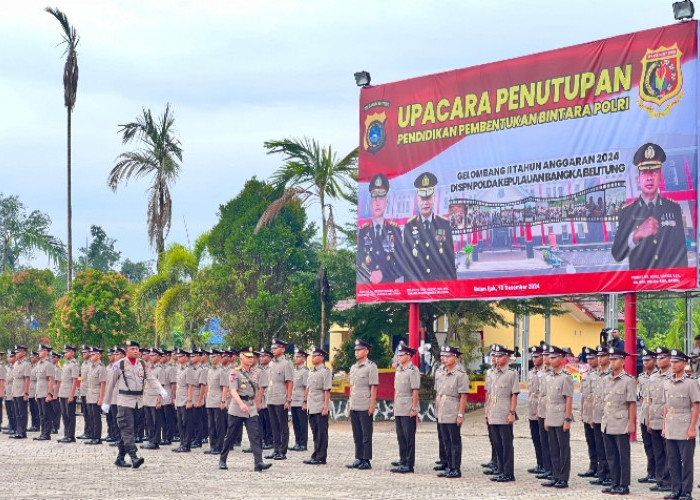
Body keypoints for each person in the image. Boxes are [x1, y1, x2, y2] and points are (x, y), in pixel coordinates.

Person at [611, 142, 688, 270]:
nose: (649, 178)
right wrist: (636, 234)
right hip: (640, 284)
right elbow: (617, 254)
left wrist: (683, 282)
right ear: (638, 180)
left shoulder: (673, 209)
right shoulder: (627, 212)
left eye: (654, 172)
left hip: (668, 282)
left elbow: (681, 252)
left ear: (661, 178)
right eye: (645, 173)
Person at [102, 339, 167, 469]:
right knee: (127, 430)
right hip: (124, 401)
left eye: (137, 349)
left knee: (127, 432)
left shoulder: (142, 364)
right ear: (126, 351)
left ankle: (120, 458)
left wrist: (160, 389)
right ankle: (134, 457)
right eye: (132, 349)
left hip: (138, 402)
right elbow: (110, 384)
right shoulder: (118, 365)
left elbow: (151, 379)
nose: (136, 351)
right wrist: (106, 402)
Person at [218, 346, 271, 472]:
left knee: (255, 435)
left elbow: (258, 390)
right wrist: (241, 404)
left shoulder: (255, 374)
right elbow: (233, 391)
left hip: (251, 408)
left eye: (252, 357)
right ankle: (222, 459)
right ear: (242, 357)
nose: (251, 359)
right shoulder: (234, 372)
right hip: (237, 408)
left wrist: (257, 403)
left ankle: (258, 462)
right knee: (231, 435)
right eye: (248, 357)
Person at [402, 172, 457, 281]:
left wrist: (453, 287)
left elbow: (450, 260)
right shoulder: (409, 226)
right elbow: (407, 262)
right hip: (418, 286)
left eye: (428, 198)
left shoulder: (445, 225)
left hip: (440, 286)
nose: (426, 202)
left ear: (434, 198)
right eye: (422, 199)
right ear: (417, 200)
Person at [662, 349, 700, 500]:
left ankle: (686, 491)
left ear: (684, 363)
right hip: (671, 425)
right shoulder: (667, 382)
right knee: (672, 461)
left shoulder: (690, 383)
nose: (673, 364)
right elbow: (666, 406)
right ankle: (675, 489)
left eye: (676, 362)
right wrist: (664, 427)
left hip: (685, 426)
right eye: (672, 361)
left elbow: (696, 406)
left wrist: (692, 428)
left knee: (686, 462)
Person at [600, 347, 637, 495]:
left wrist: (631, 423)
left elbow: (632, 403)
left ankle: (624, 484)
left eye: (615, 359)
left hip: (621, 423)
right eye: (611, 359)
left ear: (622, 361)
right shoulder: (606, 379)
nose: (612, 362)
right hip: (608, 422)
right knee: (611, 455)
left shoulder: (628, 380)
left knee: (623, 456)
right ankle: (614, 482)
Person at [357, 173, 403, 284]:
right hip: (368, 289)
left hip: (390, 290)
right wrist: (370, 273)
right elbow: (359, 261)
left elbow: (401, 264)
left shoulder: (395, 231)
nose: (378, 203)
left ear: (386, 203)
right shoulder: (363, 232)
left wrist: (383, 273)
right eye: (375, 199)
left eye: (381, 199)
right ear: (370, 204)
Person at [541, 346, 574, 489]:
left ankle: (563, 478)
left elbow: (568, 399)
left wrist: (567, 419)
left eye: (554, 357)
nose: (550, 359)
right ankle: (555, 475)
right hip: (551, 415)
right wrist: (547, 418)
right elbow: (548, 399)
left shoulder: (565, 377)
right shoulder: (549, 377)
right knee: (553, 448)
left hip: (561, 416)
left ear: (561, 359)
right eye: (550, 357)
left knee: (563, 449)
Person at [487, 344, 520, 483]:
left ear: (507, 357)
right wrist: (488, 411)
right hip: (493, 411)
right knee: (497, 444)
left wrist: (512, 412)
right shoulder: (492, 373)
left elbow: (514, 395)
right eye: (496, 356)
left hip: (505, 411)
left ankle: (508, 473)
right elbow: (489, 394)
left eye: (500, 356)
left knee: (506, 444)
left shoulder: (512, 374)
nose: (497, 359)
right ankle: (500, 470)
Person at [435, 344, 469, 478]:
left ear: (456, 358)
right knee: (445, 440)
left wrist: (460, 414)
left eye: (449, 356)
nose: (445, 359)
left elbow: (463, 396)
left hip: (453, 409)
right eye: (444, 356)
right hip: (442, 409)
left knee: (454, 440)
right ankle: (448, 465)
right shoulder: (441, 372)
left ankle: (456, 468)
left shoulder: (460, 375)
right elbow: (438, 392)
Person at [346, 339, 379, 470]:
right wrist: (349, 403)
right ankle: (359, 457)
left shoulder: (371, 367)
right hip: (355, 403)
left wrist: (372, 404)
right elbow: (351, 387)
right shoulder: (353, 367)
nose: (356, 352)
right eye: (355, 350)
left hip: (365, 403)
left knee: (366, 433)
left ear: (366, 351)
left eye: (359, 350)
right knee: (357, 433)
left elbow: (373, 387)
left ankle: (366, 459)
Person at [390, 341, 420, 474]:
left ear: (408, 356)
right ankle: (402, 459)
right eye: (398, 355)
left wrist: (414, 407)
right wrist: (394, 404)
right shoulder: (399, 370)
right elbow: (396, 390)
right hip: (399, 406)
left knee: (409, 437)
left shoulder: (413, 370)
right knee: (400, 435)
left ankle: (409, 463)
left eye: (401, 355)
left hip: (408, 406)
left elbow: (415, 390)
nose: (398, 357)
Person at [647, 346, 673, 493]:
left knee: (668, 452)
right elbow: (650, 400)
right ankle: (660, 480)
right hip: (655, 419)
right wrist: (649, 420)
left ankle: (668, 481)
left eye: (662, 357)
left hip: (667, 421)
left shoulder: (671, 376)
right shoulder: (653, 378)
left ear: (669, 359)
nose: (659, 360)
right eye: (657, 358)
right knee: (658, 453)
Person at [302, 345, 332, 465]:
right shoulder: (311, 371)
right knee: (315, 432)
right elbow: (308, 388)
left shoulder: (325, 372)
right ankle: (316, 453)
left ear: (321, 357)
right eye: (312, 356)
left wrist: (325, 407)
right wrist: (305, 402)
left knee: (322, 432)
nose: (312, 358)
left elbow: (327, 390)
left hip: (320, 406)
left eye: (315, 356)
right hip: (312, 406)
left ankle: (321, 456)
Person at [265, 339, 293, 461]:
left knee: (282, 426)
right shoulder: (271, 364)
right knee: (274, 426)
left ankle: (282, 451)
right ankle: (276, 449)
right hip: (271, 397)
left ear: (282, 349)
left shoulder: (286, 363)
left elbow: (290, 382)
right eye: (272, 348)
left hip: (281, 398)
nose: (273, 350)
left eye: (276, 348)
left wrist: (288, 399)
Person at [589, 345, 612, 487]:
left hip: (608, 416)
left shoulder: (611, 374)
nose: (599, 358)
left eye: (602, 356)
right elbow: (593, 397)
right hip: (597, 415)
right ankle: (601, 473)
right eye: (598, 356)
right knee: (599, 446)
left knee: (607, 447)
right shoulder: (595, 375)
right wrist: (591, 415)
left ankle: (609, 475)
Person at [637, 348, 657, 484]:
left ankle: (659, 473)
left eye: (648, 360)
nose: (645, 362)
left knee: (658, 447)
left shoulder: (659, 376)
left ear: (654, 361)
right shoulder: (642, 377)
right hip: (644, 416)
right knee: (648, 446)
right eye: (643, 360)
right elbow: (641, 397)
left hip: (655, 417)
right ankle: (651, 472)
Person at [577, 347, 598, 478]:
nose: (590, 360)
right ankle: (593, 466)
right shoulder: (585, 375)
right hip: (587, 411)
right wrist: (582, 411)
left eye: (592, 358)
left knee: (599, 442)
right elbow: (583, 395)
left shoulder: (601, 375)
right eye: (588, 358)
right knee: (590, 441)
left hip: (596, 412)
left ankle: (602, 468)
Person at [526, 346, 545, 475]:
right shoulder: (531, 372)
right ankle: (539, 463)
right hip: (532, 408)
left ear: (543, 357)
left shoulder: (545, 372)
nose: (534, 359)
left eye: (537, 356)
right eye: (533, 356)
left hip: (542, 408)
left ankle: (545, 465)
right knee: (535, 438)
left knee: (543, 439)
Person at [58, 345, 79, 443]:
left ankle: (71, 436)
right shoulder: (66, 364)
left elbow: (75, 381)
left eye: (67, 352)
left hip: (69, 393)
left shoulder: (74, 364)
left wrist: (72, 394)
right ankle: (66, 434)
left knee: (70, 414)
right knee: (64, 414)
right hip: (63, 392)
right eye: (64, 352)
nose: (65, 354)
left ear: (72, 353)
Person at [85, 347, 107, 444]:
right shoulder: (91, 367)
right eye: (91, 354)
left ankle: (97, 437)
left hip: (96, 395)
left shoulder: (101, 368)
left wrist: (101, 398)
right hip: (90, 395)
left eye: (93, 355)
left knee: (96, 417)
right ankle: (93, 436)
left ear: (98, 356)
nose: (91, 356)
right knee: (91, 417)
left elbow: (103, 384)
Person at [34, 344, 55, 441]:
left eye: (41, 351)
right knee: (41, 414)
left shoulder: (48, 364)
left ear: (46, 352)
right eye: (39, 351)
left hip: (45, 392)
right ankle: (42, 432)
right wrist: (36, 393)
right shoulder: (38, 364)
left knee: (46, 414)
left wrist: (49, 393)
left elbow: (51, 380)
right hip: (39, 392)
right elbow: (37, 380)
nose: (39, 352)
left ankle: (47, 434)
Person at [290, 347, 309, 452]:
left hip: (301, 400)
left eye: (298, 356)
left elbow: (307, 387)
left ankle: (303, 443)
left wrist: (305, 401)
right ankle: (297, 442)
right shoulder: (293, 370)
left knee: (302, 423)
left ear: (303, 358)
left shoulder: (305, 371)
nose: (296, 358)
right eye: (295, 356)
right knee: (295, 422)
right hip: (294, 400)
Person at [11, 345, 31, 439]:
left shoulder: (26, 364)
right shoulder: (16, 364)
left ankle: (22, 432)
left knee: (22, 412)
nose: (16, 354)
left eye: (18, 352)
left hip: (22, 390)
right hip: (15, 390)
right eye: (16, 352)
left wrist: (26, 393)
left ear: (23, 353)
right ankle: (18, 430)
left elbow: (27, 379)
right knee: (17, 412)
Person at [78, 345, 92, 439]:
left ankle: (90, 432)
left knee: (90, 414)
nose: (83, 354)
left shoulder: (92, 364)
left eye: (85, 352)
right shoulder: (84, 364)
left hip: (89, 392)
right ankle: (86, 431)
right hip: (83, 391)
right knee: (85, 414)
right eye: (82, 352)